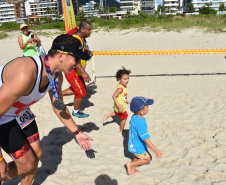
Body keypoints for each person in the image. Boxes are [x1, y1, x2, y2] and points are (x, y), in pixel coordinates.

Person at [0, 34, 93, 185]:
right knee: (27, 164)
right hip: (2, 114)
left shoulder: (56, 76)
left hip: (18, 109)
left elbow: (59, 108)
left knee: (37, 154)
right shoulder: (25, 73)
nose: (77, 63)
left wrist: (77, 133)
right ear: (61, 56)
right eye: (76, 59)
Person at [62, 20, 93, 118]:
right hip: (72, 70)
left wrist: (87, 53)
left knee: (81, 90)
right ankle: (76, 112)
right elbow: (74, 59)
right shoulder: (76, 39)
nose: (91, 31)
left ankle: (57, 94)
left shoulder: (81, 38)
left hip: (77, 70)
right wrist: (84, 73)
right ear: (82, 29)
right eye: (89, 29)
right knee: (80, 93)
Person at [126, 96, 163, 175]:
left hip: (133, 144)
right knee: (147, 159)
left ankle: (132, 171)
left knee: (138, 156)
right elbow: (145, 139)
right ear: (141, 112)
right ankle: (130, 164)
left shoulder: (134, 117)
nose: (148, 108)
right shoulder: (140, 123)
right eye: (147, 107)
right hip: (138, 145)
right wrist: (156, 151)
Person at [103, 67, 131, 132]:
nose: (127, 80)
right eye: (125, 79)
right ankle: (121, 130)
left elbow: (122, 95)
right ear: (119, 79)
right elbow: (114, 96)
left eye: (128, 78)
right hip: (120, 105)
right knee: (124, 118)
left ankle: (109, 115)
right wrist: (119, 105)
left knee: (118, 113)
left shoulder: (123, 86)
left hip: (121, 103)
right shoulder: (120, 88)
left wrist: (126, 100)